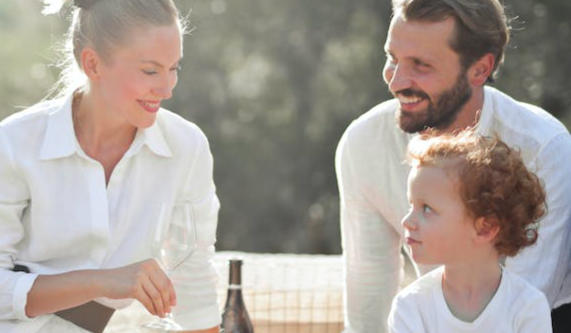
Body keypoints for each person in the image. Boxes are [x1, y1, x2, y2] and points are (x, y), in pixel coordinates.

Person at [335, 0, 571, 332]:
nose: (396, 81)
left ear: (480, 69)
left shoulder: (543, 148)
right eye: (392, 58)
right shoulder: (363, 145)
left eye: (421, 65)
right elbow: (367, 312)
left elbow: (521, 309)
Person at [0, 0, 220, 332]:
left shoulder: (186, 147)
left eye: (174, 68)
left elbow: (195, 281)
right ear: (93, 63)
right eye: (150, 70)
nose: (167, 88)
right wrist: (102, 283)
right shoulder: (14, 144)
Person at [387, 131, 552, 332]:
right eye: (411, 206)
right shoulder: (410, 307)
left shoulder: (527, 307)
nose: (407, 221)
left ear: (485, 228)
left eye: (427, 208)